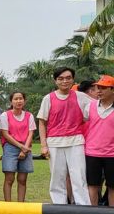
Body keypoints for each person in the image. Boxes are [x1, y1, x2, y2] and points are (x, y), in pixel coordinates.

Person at [37, 67, 91, 205]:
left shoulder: (81, 96)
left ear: (73, 80)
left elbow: (96, 109)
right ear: (55, 81)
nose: (65, 81)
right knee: (57, 177)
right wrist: (43, 145)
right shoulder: (48, 98)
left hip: (76, 141)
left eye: (68, 78)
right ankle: (59, 206)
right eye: (61, 78)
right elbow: (42, 122)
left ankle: (83, 206)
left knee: (79, 176)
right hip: (54, 142)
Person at [0, 91, 36, 202]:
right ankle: (8, 205)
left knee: (22, 179)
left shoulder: (29, 116)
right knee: (9, 178)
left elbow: (31, 133)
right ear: (11, 101)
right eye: (16, 99)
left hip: (26, 147)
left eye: (21, 98)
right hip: (11, 147)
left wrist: (24, 149)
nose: (18, 101)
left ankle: (20, 204)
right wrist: (21, 147)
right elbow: (5, 134)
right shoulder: (5, 115)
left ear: (24, 101)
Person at [84, 75, 114, 207]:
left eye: (103, 88)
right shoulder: (89, 107)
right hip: (92, 152)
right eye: (97, 87)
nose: (99, 91)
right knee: (92, 184)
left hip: (112, 154)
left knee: (112, 186)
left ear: (112, 90)